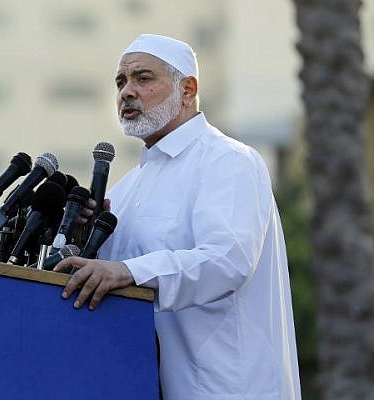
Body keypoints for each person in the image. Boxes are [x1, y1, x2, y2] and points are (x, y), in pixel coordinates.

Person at [54, 34, 301, 399]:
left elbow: (227, 260)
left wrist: (129, 270)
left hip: (232, 388)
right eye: (121, 82)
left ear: (188, 89)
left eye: (143, 78)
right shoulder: (125, 190)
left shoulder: (228, 161)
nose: (126, 92)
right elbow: (110, 289)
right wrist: (82, 243)